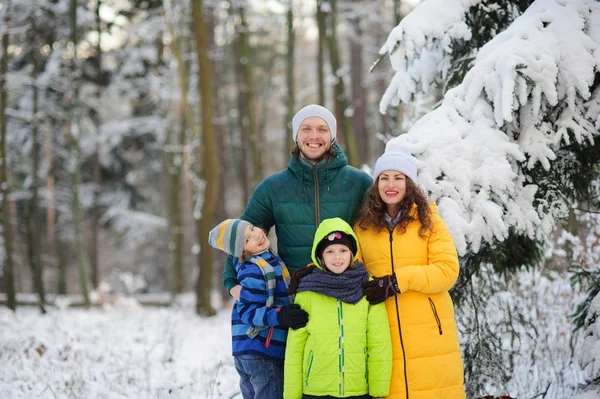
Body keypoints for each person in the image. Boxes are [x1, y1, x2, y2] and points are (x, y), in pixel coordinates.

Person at [222, 104, 373, 300]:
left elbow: (386, 230)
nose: (314, 136)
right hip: (297, 298)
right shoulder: (274, 187)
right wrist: (232, 282)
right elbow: (242, 236)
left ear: (332, 136)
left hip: (349, 297)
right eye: (306, 129)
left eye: (322, 129)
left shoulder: (358, 182)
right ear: (296, 135)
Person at [354, 145, 466, 398]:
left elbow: (447, 271)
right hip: (384, 331)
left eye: (398, 178)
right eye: (384, 178)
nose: (390, 185)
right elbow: (348, 269)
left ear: (410, 183)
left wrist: (396, 282)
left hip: (431, 335)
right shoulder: (363, 227)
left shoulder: (430, 221)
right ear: (376, 184)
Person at [284, 217, 392, 399]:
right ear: (320, 257)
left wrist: (378, 389)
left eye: (343, 250)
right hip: (315, 390)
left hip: (358, 389)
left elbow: (379, 342)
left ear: (353, 253)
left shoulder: (368, 289)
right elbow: (295, 347)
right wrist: (291, 394)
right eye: (330, 251)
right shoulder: (307, 292)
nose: (337, 257)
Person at [208, 218, 309, 399]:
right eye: (247, 240)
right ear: (241, 252)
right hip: (261, 351)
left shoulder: (267, 259)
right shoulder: (254, 269)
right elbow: (248, 311)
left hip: (251, 350)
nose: (256, 235)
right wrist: (280, 316)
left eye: (252, 229)